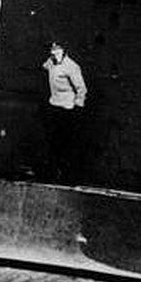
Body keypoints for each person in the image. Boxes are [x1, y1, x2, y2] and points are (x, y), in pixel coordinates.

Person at [41, 40, 88, 182]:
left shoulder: (72, 67)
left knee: (66, 141)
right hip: (54, 105)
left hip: (68, 108)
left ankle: (67, 175)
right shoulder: (51, 63)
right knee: (52, 141)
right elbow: (44, 67)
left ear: (63, 50)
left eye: (57, 48)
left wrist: (78, 107)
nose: (53, 51)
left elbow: (81, 89)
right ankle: (52, 173)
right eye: (52, 49)